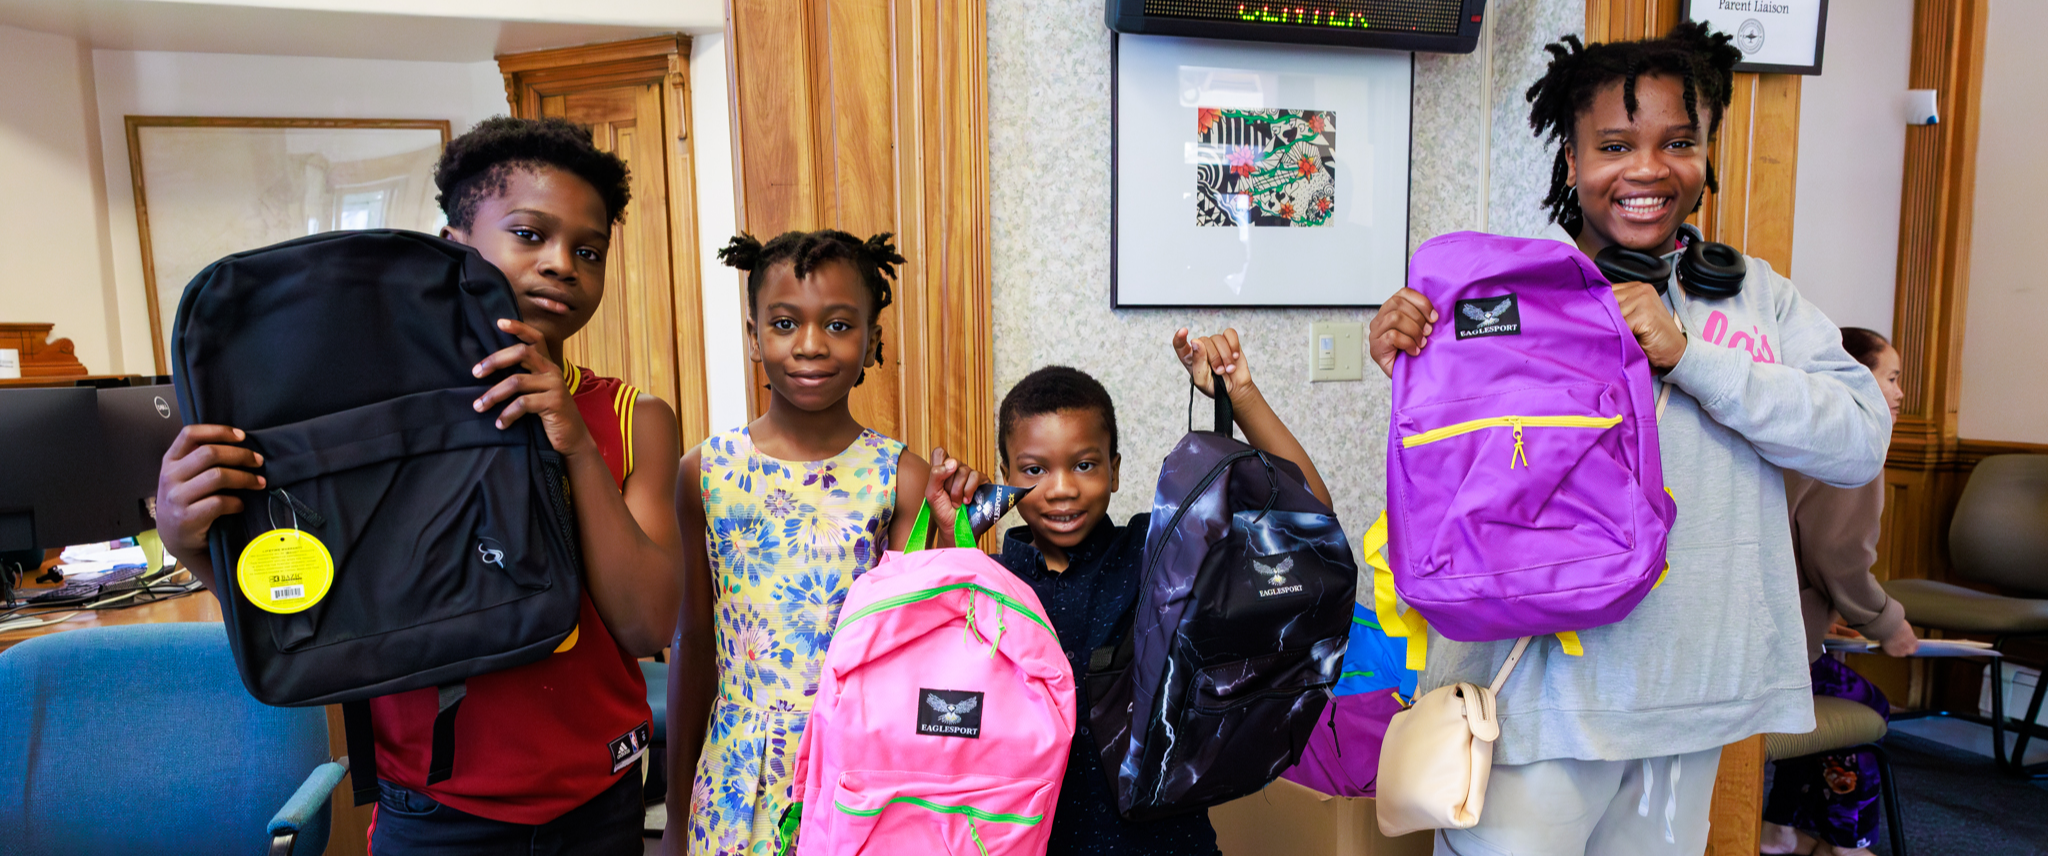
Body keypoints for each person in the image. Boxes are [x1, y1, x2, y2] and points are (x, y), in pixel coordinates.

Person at [1367, 23, 1891, 856]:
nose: (1647, 169)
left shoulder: (1758, 301)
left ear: (1706, 152)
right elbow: (1447, 466)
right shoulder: (1502, 295)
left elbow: (1860, 440)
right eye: (1614, 145)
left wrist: (1691, 357)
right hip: (1536, 706)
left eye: (1677, 142)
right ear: (1572, 163)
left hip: (1696, 699)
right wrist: (1411, 345)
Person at [155, 116, 687, 854]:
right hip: (431, 813)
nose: (563, 263)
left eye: (588, 249)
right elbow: (314, 617)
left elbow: (646, 625)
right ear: (452, 247)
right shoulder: (379, 427)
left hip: (598, 801)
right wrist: (193, 546)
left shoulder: (634, 417)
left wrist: (572, 441)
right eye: (530, 235)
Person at [665, 230, 983, 856]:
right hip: (736, 775)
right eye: (785, 323)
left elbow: (921, 654)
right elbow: (694, 639)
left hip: (856, 769)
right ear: (755, 336)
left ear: (872, 341)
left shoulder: (900, 476)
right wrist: (676, 814)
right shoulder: (704, 471)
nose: (810, 345)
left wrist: (955, 535)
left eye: (839, 325)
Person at [990, 328, 1333, 856]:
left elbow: (1305, 516)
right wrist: (953, 531)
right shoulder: (985, 580)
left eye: (1084, 465)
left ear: (1115, 470)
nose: (1061, 488)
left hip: (1167, 845)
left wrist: (1239, 395)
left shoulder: (1156, 552)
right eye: (1035, 470)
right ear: (1006, 477)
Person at [1761, 326, 1917, 856]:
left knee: (1823, 696)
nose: (1899, 393)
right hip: (1776, 659)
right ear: (1853, 376)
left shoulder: (1790, 423)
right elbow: (1837, 556)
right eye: (1891, 378)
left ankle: (1782, 827)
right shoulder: (1853, 440)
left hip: (1746, 639)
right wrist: (1887, 624)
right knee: (1865, 702)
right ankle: (1846, 842)